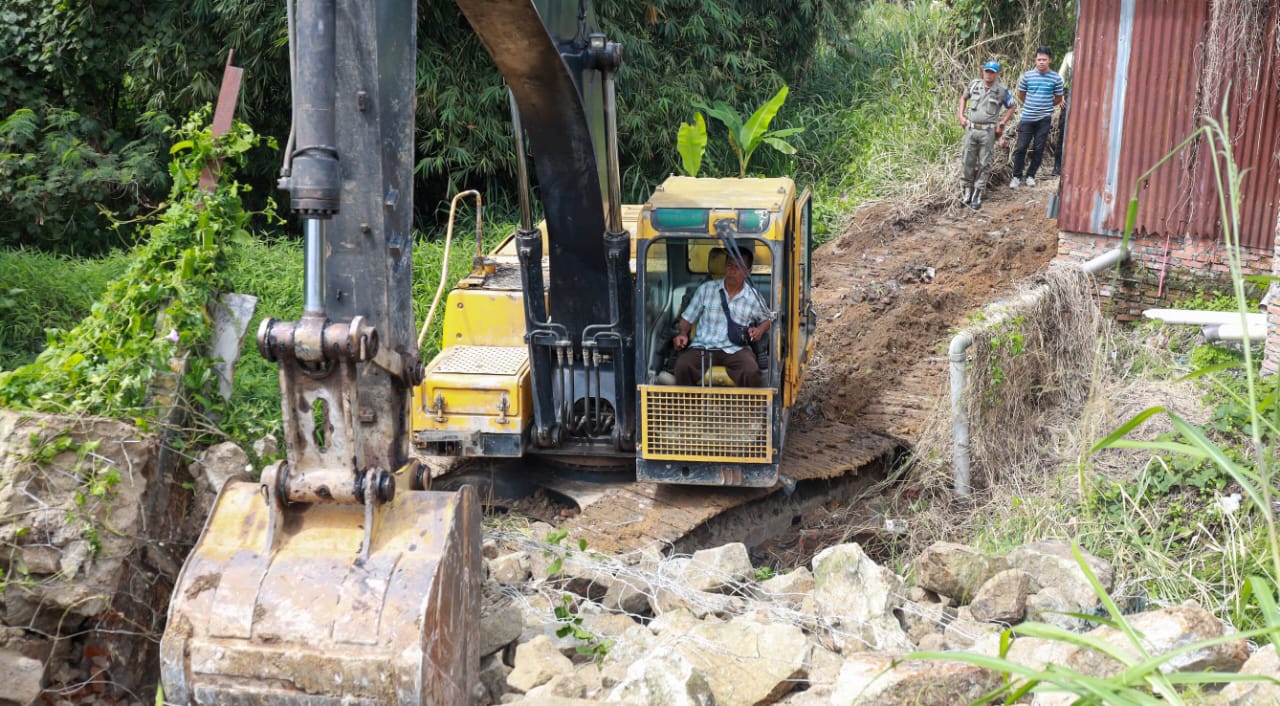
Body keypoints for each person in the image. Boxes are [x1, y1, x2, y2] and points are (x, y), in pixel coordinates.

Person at [673, 247, 771, 387]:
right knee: (682, 366)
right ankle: (688, 408)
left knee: (750, 371)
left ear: (748, 271)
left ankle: (746, 409)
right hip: (703, 347)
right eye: (729, 266)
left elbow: (768, 319)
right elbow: (688, 318)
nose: (732, 271)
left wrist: (759, 330)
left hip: (736, 349)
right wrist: (682, 334)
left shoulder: (753, 296)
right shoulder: (706, 289)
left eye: (738, 267)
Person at [957, 59, 1017, 210]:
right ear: (983, 71)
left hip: (988, 132)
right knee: (967, 161)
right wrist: (961, 116)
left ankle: (977, 193)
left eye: (992, 72)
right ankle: (966, 192)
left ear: (997, 74)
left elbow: (1012, 106)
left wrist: (1002, 123)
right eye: (986, 71)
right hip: (971, 130)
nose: (988, 75)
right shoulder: (974, 85)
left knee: (984, 163)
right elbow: (963, 98)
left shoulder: (1002, 90)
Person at [1009, 46, 1065, 188]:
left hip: (1044, 119)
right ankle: (1016, 177)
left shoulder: (1056, 78)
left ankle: (1030, 175)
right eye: (1039, 59)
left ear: (1050, 60)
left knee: (1039, 148)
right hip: (1027, 117)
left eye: (1044, 60)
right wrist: (1031, 104)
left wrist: (1046, 106)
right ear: (1035, 59)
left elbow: (1058, 98)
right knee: (1021, 147)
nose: (1041, 62)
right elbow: (1021, 94)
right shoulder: (1027, 76)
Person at [1051, 50, 1074, 177]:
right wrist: (1060, 94)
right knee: (1064, 128)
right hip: (1069, 93)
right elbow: (1061, 76)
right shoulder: (1069, 56)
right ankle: (1058, 165)